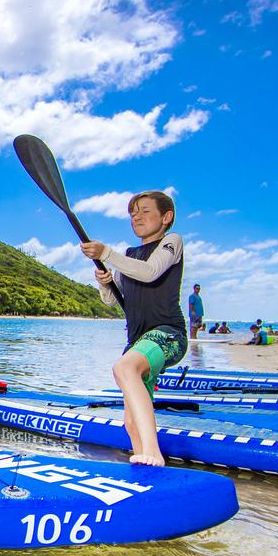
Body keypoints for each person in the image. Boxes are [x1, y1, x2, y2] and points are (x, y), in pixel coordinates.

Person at [82, 190, 187, 467]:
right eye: (133, 213)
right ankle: (145, 468)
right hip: (138, 341)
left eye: (145, 211)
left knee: (124, 368)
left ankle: (153, 454)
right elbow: (112, 300)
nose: (136, 217)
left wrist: (106, 253)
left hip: (168, 334)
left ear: (166, 217)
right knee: (130, 422)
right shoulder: (128, 256)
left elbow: (150, 272)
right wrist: (105, 282)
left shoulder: (171, 242)